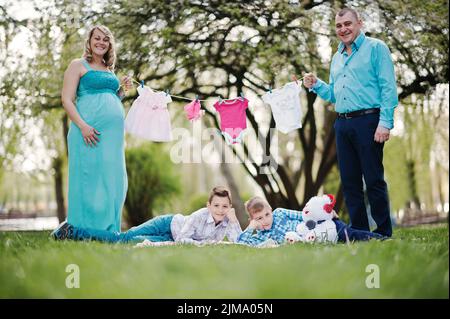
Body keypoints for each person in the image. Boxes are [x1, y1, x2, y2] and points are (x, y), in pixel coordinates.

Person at [302, 7, 398, 237]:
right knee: (350, 182)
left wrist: (385, 122)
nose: (343, 29)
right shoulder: (337, 58)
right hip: (342, 124)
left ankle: (384, 233)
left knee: (373, 180)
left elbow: (388, 88)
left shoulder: (376, 48)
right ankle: (361, 233)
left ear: (359, 23)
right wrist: (316, 84)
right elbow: (335, 94)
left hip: (369, 121)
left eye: (347, 24)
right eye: (339, 25)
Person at [61, 25, 132, 232]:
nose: (101, 42)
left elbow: (110, 99)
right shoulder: (78, 65)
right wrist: (83, 126)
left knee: (112, 178)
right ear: (90, 42)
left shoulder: (109, 69)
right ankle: (83, 228)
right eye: (97, 38)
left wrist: (121, 90)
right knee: (88, 179)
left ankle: (108, 228)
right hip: (86, 131)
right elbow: (66, 99)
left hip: (111, 137)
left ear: (110, 44)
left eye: (105, 39)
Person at [51, 186, 243, 245]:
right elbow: (183, 239)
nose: (220, 209)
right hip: (166, 225)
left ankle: (80, 235)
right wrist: (205, 244)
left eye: (224, 206)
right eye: (216, 205)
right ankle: (72, 231)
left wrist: (234, 221)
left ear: (229, 207)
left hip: (169, 238)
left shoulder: (227, 220)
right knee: (125, 236)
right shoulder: (200, 216)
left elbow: (238, 242)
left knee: (127, 243)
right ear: (208, 205)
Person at [237, 196, 385, 246]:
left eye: (266, 214)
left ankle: (381, 239)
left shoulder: (280, 213)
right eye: (259, 219)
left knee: (348, 234)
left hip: (319, 226)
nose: (265, 221)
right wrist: (251, 227)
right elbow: (241, 242)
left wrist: (326, 214)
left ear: (270, 209)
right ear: (253, 220)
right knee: (341, 240)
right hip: (312, 239)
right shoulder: (262, 236)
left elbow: (304, 215)